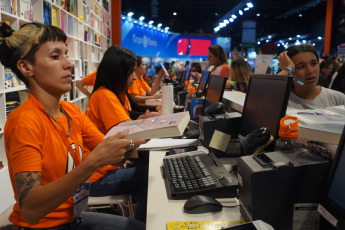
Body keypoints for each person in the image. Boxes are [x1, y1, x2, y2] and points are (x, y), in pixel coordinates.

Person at [0, 22, 146, 229]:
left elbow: (117, 152)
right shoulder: (24, 120)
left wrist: (146, 131)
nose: (68, 63)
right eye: (55, 56)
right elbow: (30, 210)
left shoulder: (71, 111)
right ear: (26, 67)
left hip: (72, 218)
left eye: (66, 54)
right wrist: (92, 164)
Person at [85, 46, 160, 223]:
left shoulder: (109, 93)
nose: (135, 77)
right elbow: (127, 140)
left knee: (148, 187)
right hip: (97, 178)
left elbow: (128, 130)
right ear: (118, 73)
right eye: (131, 72)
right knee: (155, 174)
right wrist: (151, 130)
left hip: (102, 172)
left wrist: (143, 123)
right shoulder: (105, 96)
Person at [277, 44, 345, 110]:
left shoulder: (338, 99)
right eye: (301, 66)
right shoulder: (280, 99)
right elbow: (267, 90)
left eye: (314, 64)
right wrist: (289, 68)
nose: (310, 71)